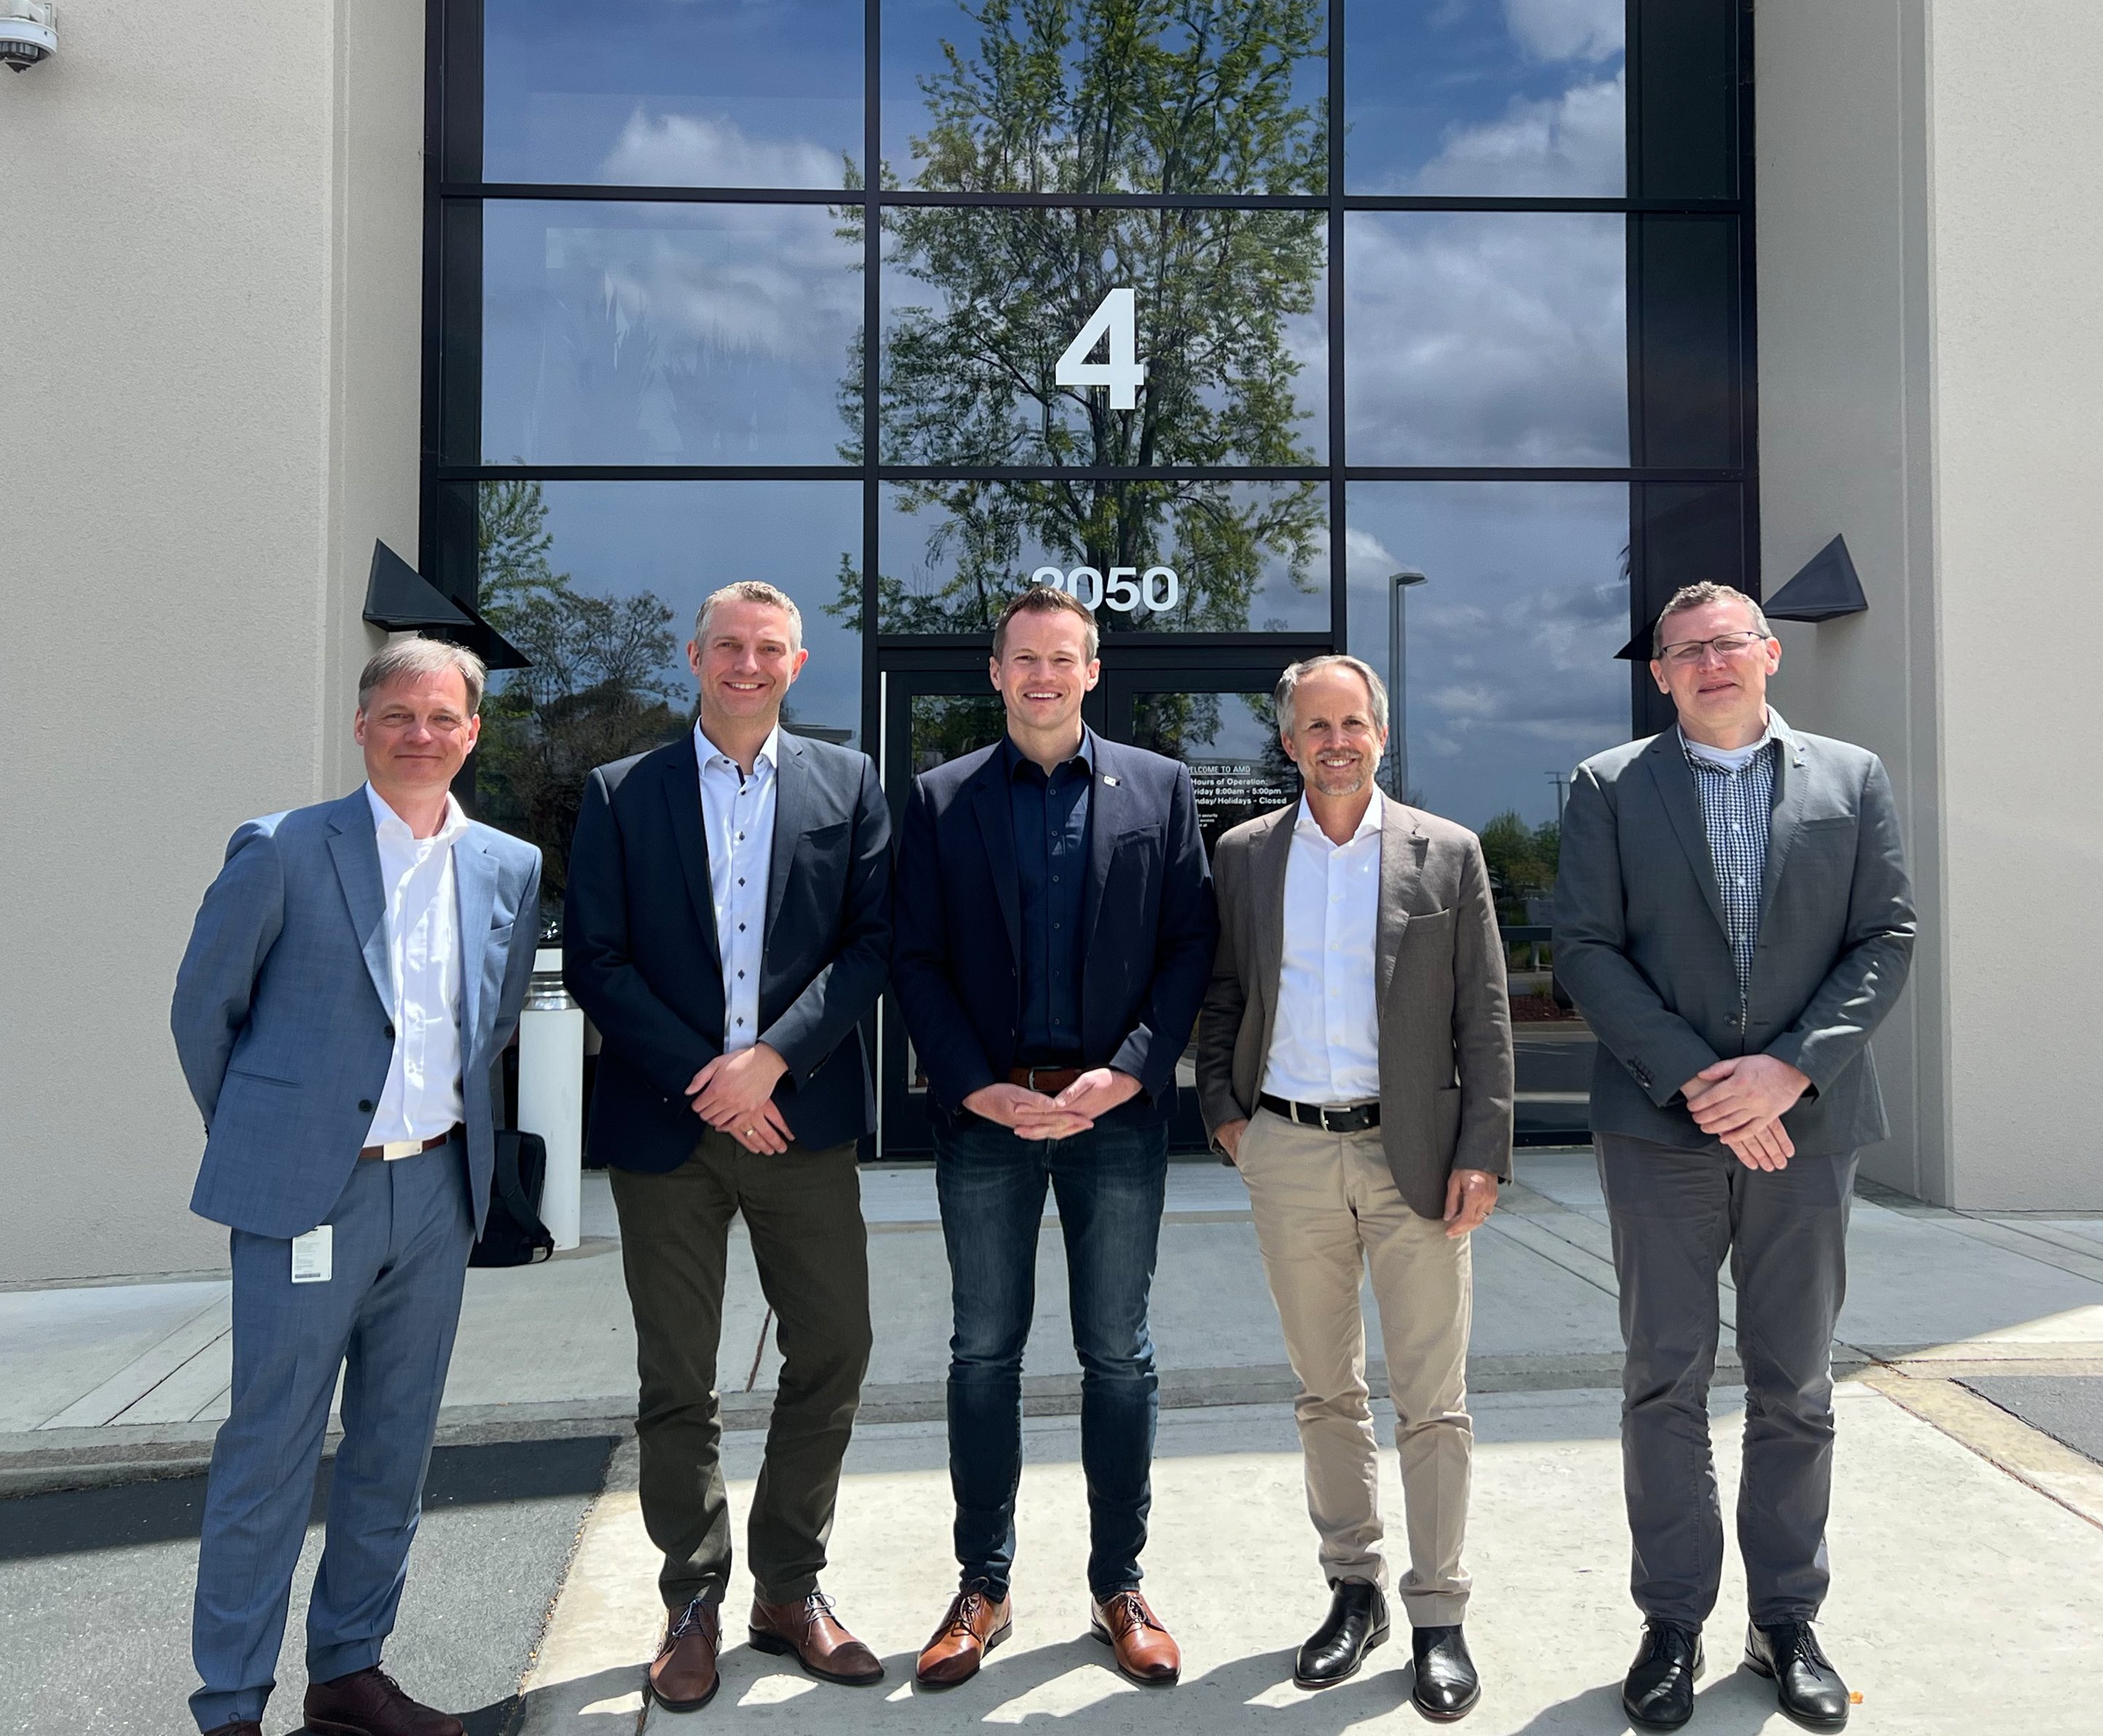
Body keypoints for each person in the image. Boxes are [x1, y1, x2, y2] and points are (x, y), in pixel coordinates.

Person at [1555, 582, 1914, 1733]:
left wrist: (1791, 1069)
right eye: (1684, 650)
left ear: (1769, 656)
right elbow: (1586, 950)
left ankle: (1785, 1622)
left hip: (1807, 1129)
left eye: (1728, 644)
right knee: (1663, 1379)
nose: (1710, 663)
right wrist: (1711, 1085)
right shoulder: (1607, 787)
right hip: (1661, 1126)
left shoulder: (1851, 779)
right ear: (1657, 673)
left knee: (1795, 1385)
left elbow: (1884, 936)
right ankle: (1672, 1621)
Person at [172, 637, 541, 1736]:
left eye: (443, 719)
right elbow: (206, 1014)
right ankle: (231, 1706)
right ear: (362, 725)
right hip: (307, 1198)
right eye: (399, 716)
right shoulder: (283, 849)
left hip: (436, 1194)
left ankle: (347, 1673)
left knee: (394, 1447)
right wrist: (273, 1139)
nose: (421, 735)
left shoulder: (508, 868)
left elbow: (495, 1020)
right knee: (270, 1450)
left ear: (473, 733)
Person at [563, 581, 893, 1712]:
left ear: (798, 666)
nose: (747, 664)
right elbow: (598, 958)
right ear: (693, 657)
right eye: (728, 647)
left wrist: (775, 1062)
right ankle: (694, 1594)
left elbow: (871, 944)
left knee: (836, 1348)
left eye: (769, 650)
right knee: (677, 1377)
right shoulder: (620, 793)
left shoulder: (848, 784)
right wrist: (714, 1080)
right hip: (669, 1129)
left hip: (798, 1120)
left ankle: (788, 1587)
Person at [892, 585, 1218, 1690]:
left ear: (1092, 671)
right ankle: (982, 1584)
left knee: (1116, 1354)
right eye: (1023, 658)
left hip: (1111, 1120)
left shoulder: (1161, 790)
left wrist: (1128, 1074)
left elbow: (1189, 947)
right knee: (983, 1353)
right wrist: (974, 1086)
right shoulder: (940, 800)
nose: (1041, 676)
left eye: (1062, 659)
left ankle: (1117, 1583)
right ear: (996, 672)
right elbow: (915, 958)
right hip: (988, 1119)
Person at [1195, 654, 1512, 1721]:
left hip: (1412, 1158)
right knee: (1326, 1391)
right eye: (1315, 725)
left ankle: (1438, 1613)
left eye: (1354, 722)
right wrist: (1225, 1114)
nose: (1336, 740)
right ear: (1288, 742)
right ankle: (1354, 1591)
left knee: (1434, 1400)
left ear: (1383, 734)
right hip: (1286, 1150)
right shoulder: (1243, 854)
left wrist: (1485, 1147)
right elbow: (1226, 989)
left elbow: (1486, 1016)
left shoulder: (1447, 853)